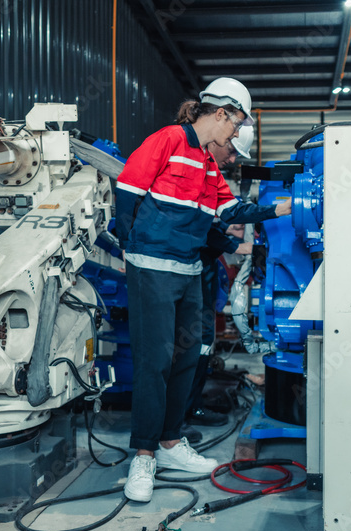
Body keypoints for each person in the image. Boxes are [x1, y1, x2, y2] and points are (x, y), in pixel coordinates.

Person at [114, 78, 291, 502]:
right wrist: (130, 248)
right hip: (152, 269)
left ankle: (171, 443)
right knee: (154, 361)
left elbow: (231, 210)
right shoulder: (168, 140)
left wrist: (283, 207)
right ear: (220, 113)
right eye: (236, 125)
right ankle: (143, 454)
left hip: (188, 271)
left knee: (186, 358)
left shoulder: (209, 167)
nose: (234, 135)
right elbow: (126, 192)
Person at [188, 127, 256, 428]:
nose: (231, 159)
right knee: (191, 347)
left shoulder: (210, 174)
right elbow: (202, 230)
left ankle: (190, 406)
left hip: (202, 276)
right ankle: (185, 413)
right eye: (231, 151)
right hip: (189, 277)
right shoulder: (195, 172)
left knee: (202, 344)